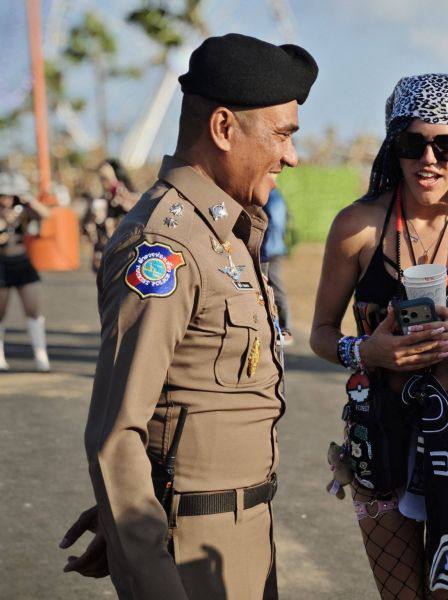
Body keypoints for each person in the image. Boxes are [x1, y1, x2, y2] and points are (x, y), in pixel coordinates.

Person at [58, 33, 318, 599]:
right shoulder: (164, 245)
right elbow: (116, 432)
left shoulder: (223, 231)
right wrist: (145, 561)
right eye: (282, 134)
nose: (291, 155)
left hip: (241, 534)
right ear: (223, 128)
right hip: (191, 548)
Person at [310, 73, 448, 599]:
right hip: (379, 423)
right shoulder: (357, 226)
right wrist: (365, 351)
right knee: (399, 594)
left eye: (446, 145)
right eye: (412, 144)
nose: (428, 159)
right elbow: (320, 334)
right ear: (394, 147)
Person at [0, 171, 51, 372]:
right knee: (1, 312)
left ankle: (41, 355)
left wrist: (28, 198)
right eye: (3, 195)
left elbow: (46, 214)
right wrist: (4, 221)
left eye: (10, 195)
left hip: (22, 262)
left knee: (33, 309)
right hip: (1, 264)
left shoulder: (21, 210)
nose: (7, 199)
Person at [260, 187, 293, 345]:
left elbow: (276, 222)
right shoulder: (274, 195)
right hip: (271, 248)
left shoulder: (271, 196)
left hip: (270, 250)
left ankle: (285, 328)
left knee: (276, 287)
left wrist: (267, 244)